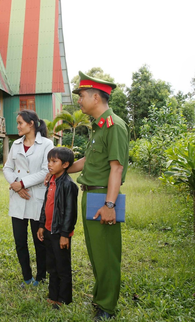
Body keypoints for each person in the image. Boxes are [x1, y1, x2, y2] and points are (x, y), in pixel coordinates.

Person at [68, 71, 129, 321]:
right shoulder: (99, 127)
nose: (79, 101)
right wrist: (63, 168)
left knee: (107, 255)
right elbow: (89, 161)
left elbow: (117, 167)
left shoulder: (114, 126)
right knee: (96, 254)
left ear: (96, 96)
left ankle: (107, 308)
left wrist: (110, 204)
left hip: (103, 197)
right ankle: (101, 299)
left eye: (81, 96)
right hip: (90, 195)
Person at [3, 109, 54, 287]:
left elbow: (46, 170)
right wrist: (16, 185)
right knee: (20, 242)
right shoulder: (16, 144)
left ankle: (40, 277)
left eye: (20, 123)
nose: (17, 126)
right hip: (18, 197)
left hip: (36, 198)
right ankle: (26, 277)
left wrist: (22, 183)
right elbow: (7, 168)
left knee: (39, 241)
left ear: (31, 123)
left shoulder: (47, 144)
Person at [37, 147, 78, 309]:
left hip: (60, 233)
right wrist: (41, 225)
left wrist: (65, 234)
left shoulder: (69, 185)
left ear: (66, 164)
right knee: (51, 265)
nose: (49, 165)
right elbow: (45, 205)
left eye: (54, 161)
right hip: (48, 230)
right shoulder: (51, 181)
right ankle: (53, 295)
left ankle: (64, 298)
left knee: (62, 266)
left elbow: (70, 213)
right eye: (49, 161)